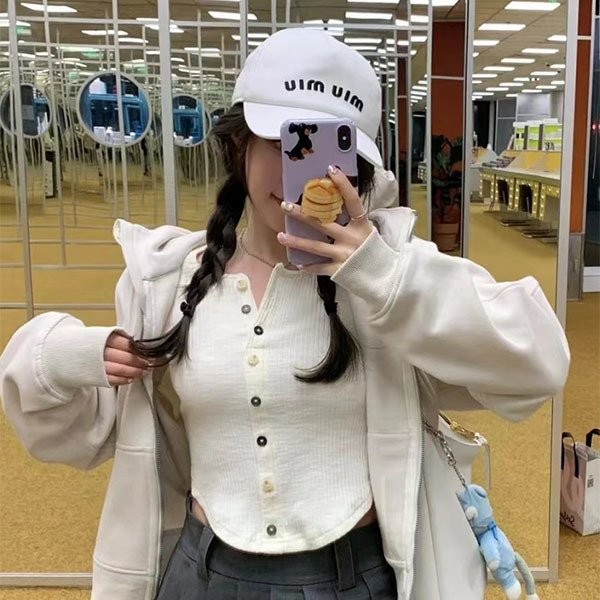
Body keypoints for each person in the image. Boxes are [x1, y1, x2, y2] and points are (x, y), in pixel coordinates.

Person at [0, 28, 569, 600]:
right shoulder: (170, 281)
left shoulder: (388, 274)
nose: (305, 173)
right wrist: (67, 355)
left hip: (352, 580)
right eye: (281, 141)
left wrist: (384, 277)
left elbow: (538, 362)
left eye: (328, 150)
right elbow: (73, 435)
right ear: (239, 145)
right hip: (203, 576)